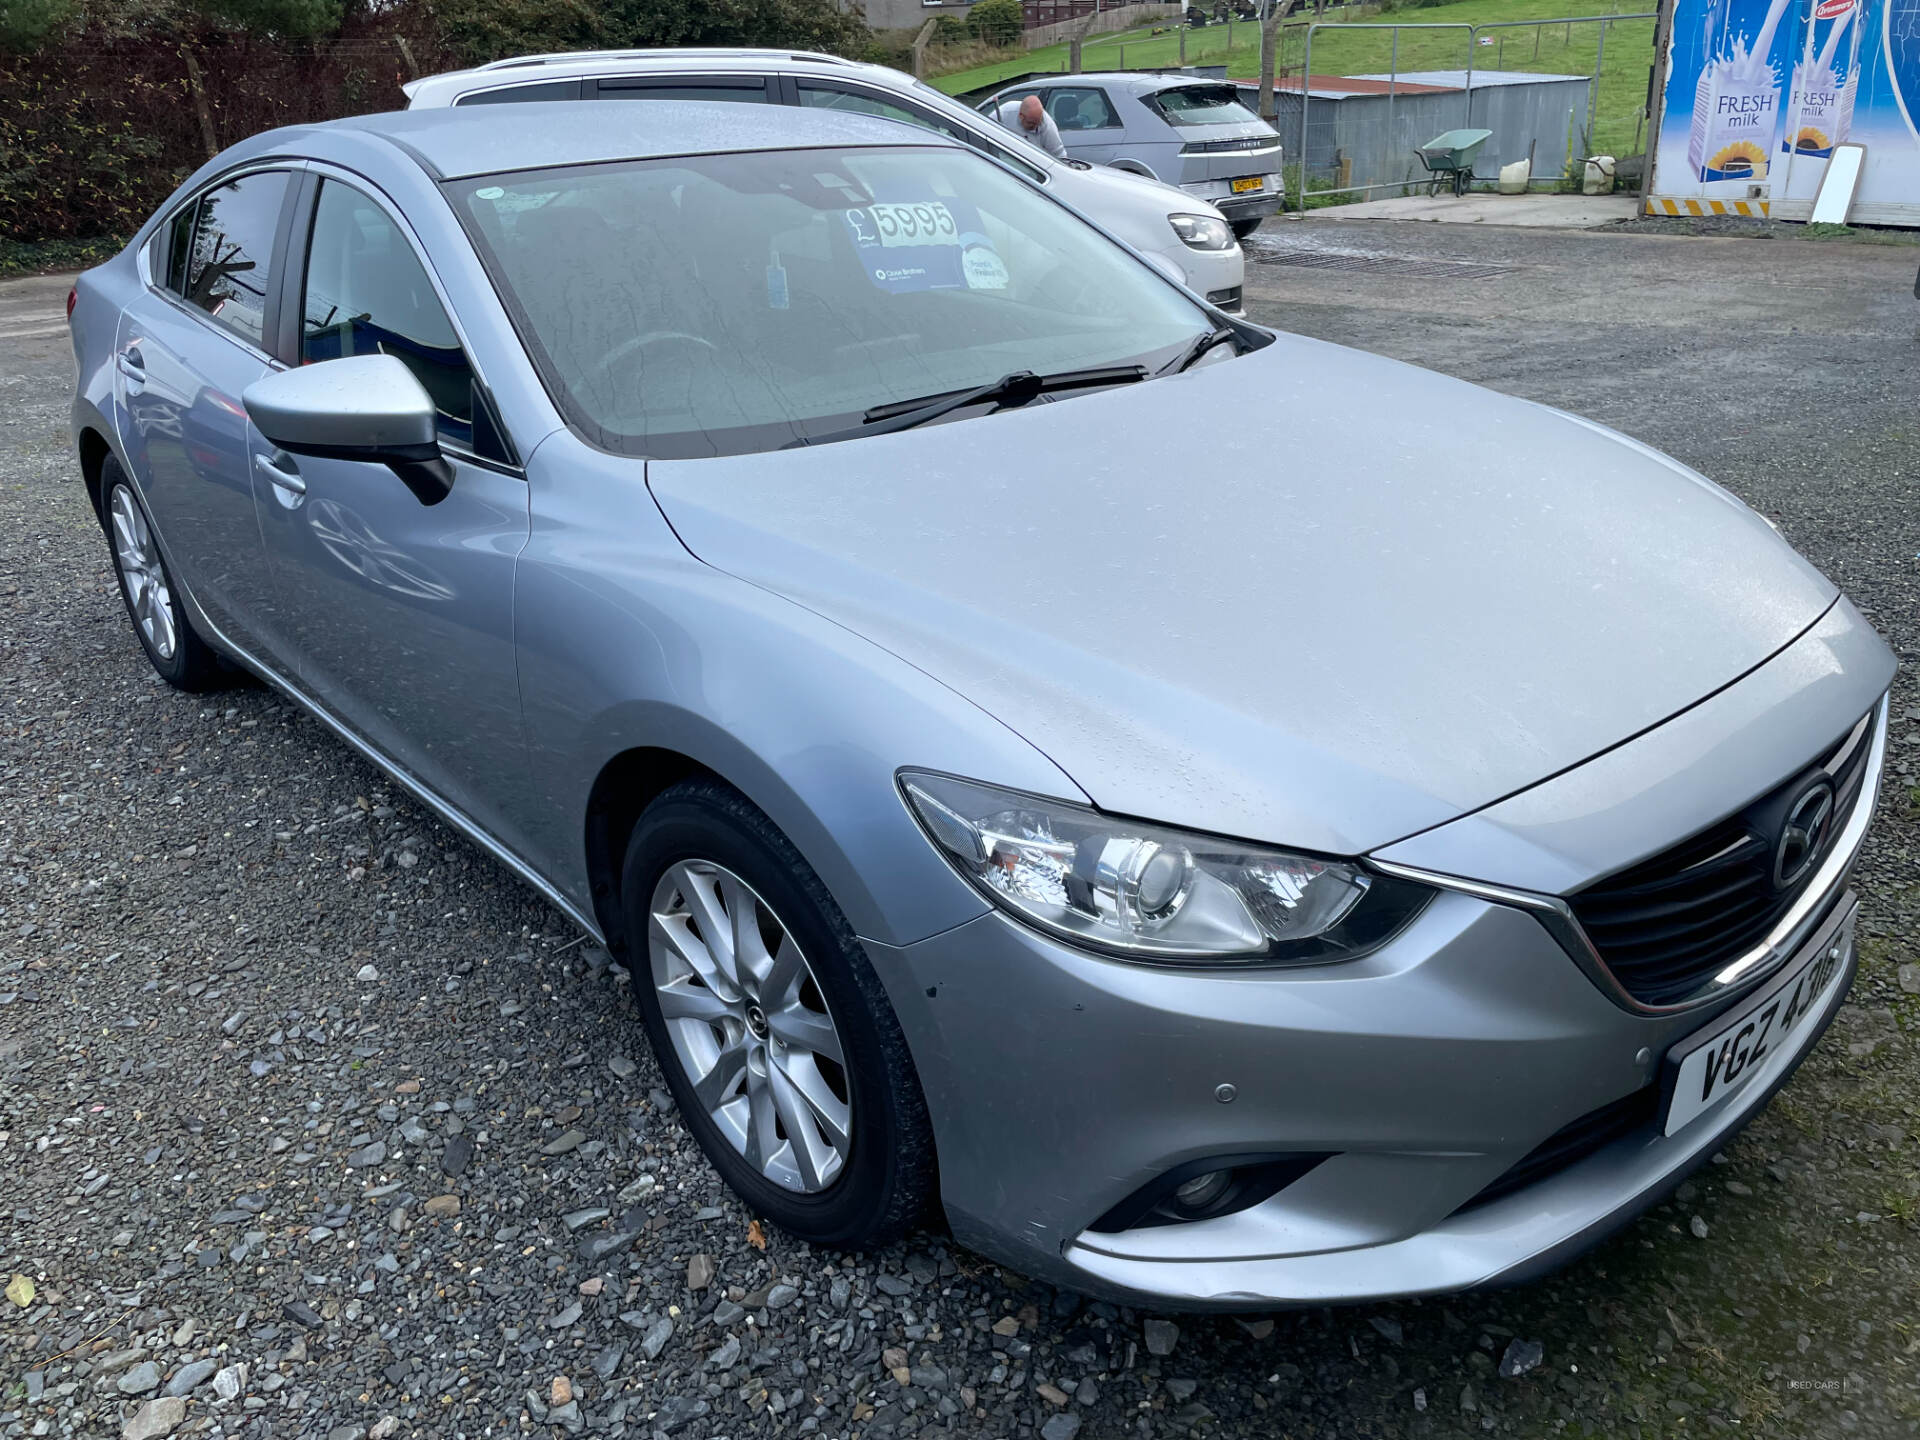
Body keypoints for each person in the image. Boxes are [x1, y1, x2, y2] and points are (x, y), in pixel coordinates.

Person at [993, 95, 1067, 159]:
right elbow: (986, 130)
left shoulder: (1047, 125)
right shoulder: (1004, 113)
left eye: (1038, 123)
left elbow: (1059, 155)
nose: (1035, 127)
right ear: (1021, 116)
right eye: (1031, 123)